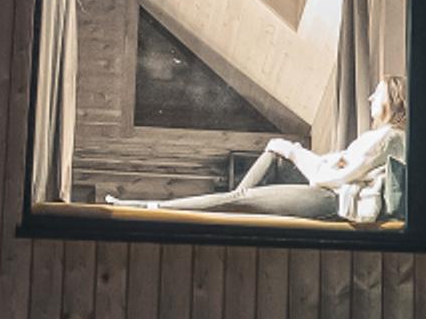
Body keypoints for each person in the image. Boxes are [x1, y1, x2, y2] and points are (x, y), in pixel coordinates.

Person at [129, 76, 410, 221]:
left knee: (248, 192)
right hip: (332, 188)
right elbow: (338, 164)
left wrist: (295, 151)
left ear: (394, 99)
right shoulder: (378, 136)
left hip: (335, 200)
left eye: (379, 91)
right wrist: (297, 154)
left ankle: (156, 206)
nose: (371, 96)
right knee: (272, 158)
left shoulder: (391, 137)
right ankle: (228, 202)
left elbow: (330, 177)